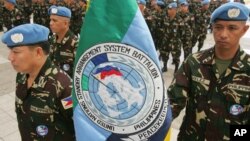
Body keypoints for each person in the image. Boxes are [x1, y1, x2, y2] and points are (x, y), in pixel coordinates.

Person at [168, 2, 250, 140]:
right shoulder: (194, 62)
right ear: (212, 27)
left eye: (232, 28)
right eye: (218, 27)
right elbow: (173, 102)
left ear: (244, 30)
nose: (223, 34)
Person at [1, 23, 75, 141]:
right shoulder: (22, 76)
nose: (10, 57)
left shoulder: (64, 87)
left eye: (16, 51)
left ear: (38, 52)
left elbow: (79, 128)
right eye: (10, 51)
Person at [48, 5, 79, 78]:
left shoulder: (75, 43)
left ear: (65, 23)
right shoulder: (53, 39)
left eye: (55, 20)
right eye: (50, 20)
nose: (50, 23)